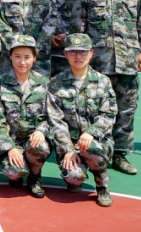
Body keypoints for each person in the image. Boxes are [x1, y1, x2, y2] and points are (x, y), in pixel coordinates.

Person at [72, 0, 141, 175]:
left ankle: (120, 154)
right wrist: (81, 57)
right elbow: (78, 28)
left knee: (126, 110)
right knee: (92, 110)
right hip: (97, 64)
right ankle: (92, 152)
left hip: (127, 62)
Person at [47, 33, 117, 207]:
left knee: (91, 147)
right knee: (73, 176)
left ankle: (102, 184)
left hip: (96, 142)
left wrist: (90, 133)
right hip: (70, 143)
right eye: (73, 52)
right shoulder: (56, 83)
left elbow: (109, 114)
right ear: (65, 54)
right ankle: (76, 177)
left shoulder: (103, 82)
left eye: (83, 52)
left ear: (91, 53)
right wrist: (68, 149)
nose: (78, 56)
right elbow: (55, 120)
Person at [0, 33, 51, 198]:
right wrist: (10, 147)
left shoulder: (44, 82)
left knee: (41, 147)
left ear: (34, 58)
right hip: (11, 140)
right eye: (17, 56)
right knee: (14, 173)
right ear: (10, 57)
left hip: (33, 140)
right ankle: (18, 170)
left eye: (27, 57)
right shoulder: (0, 82)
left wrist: (41, 131)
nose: (22, 62)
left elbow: (51, 115)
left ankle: (34, 177)